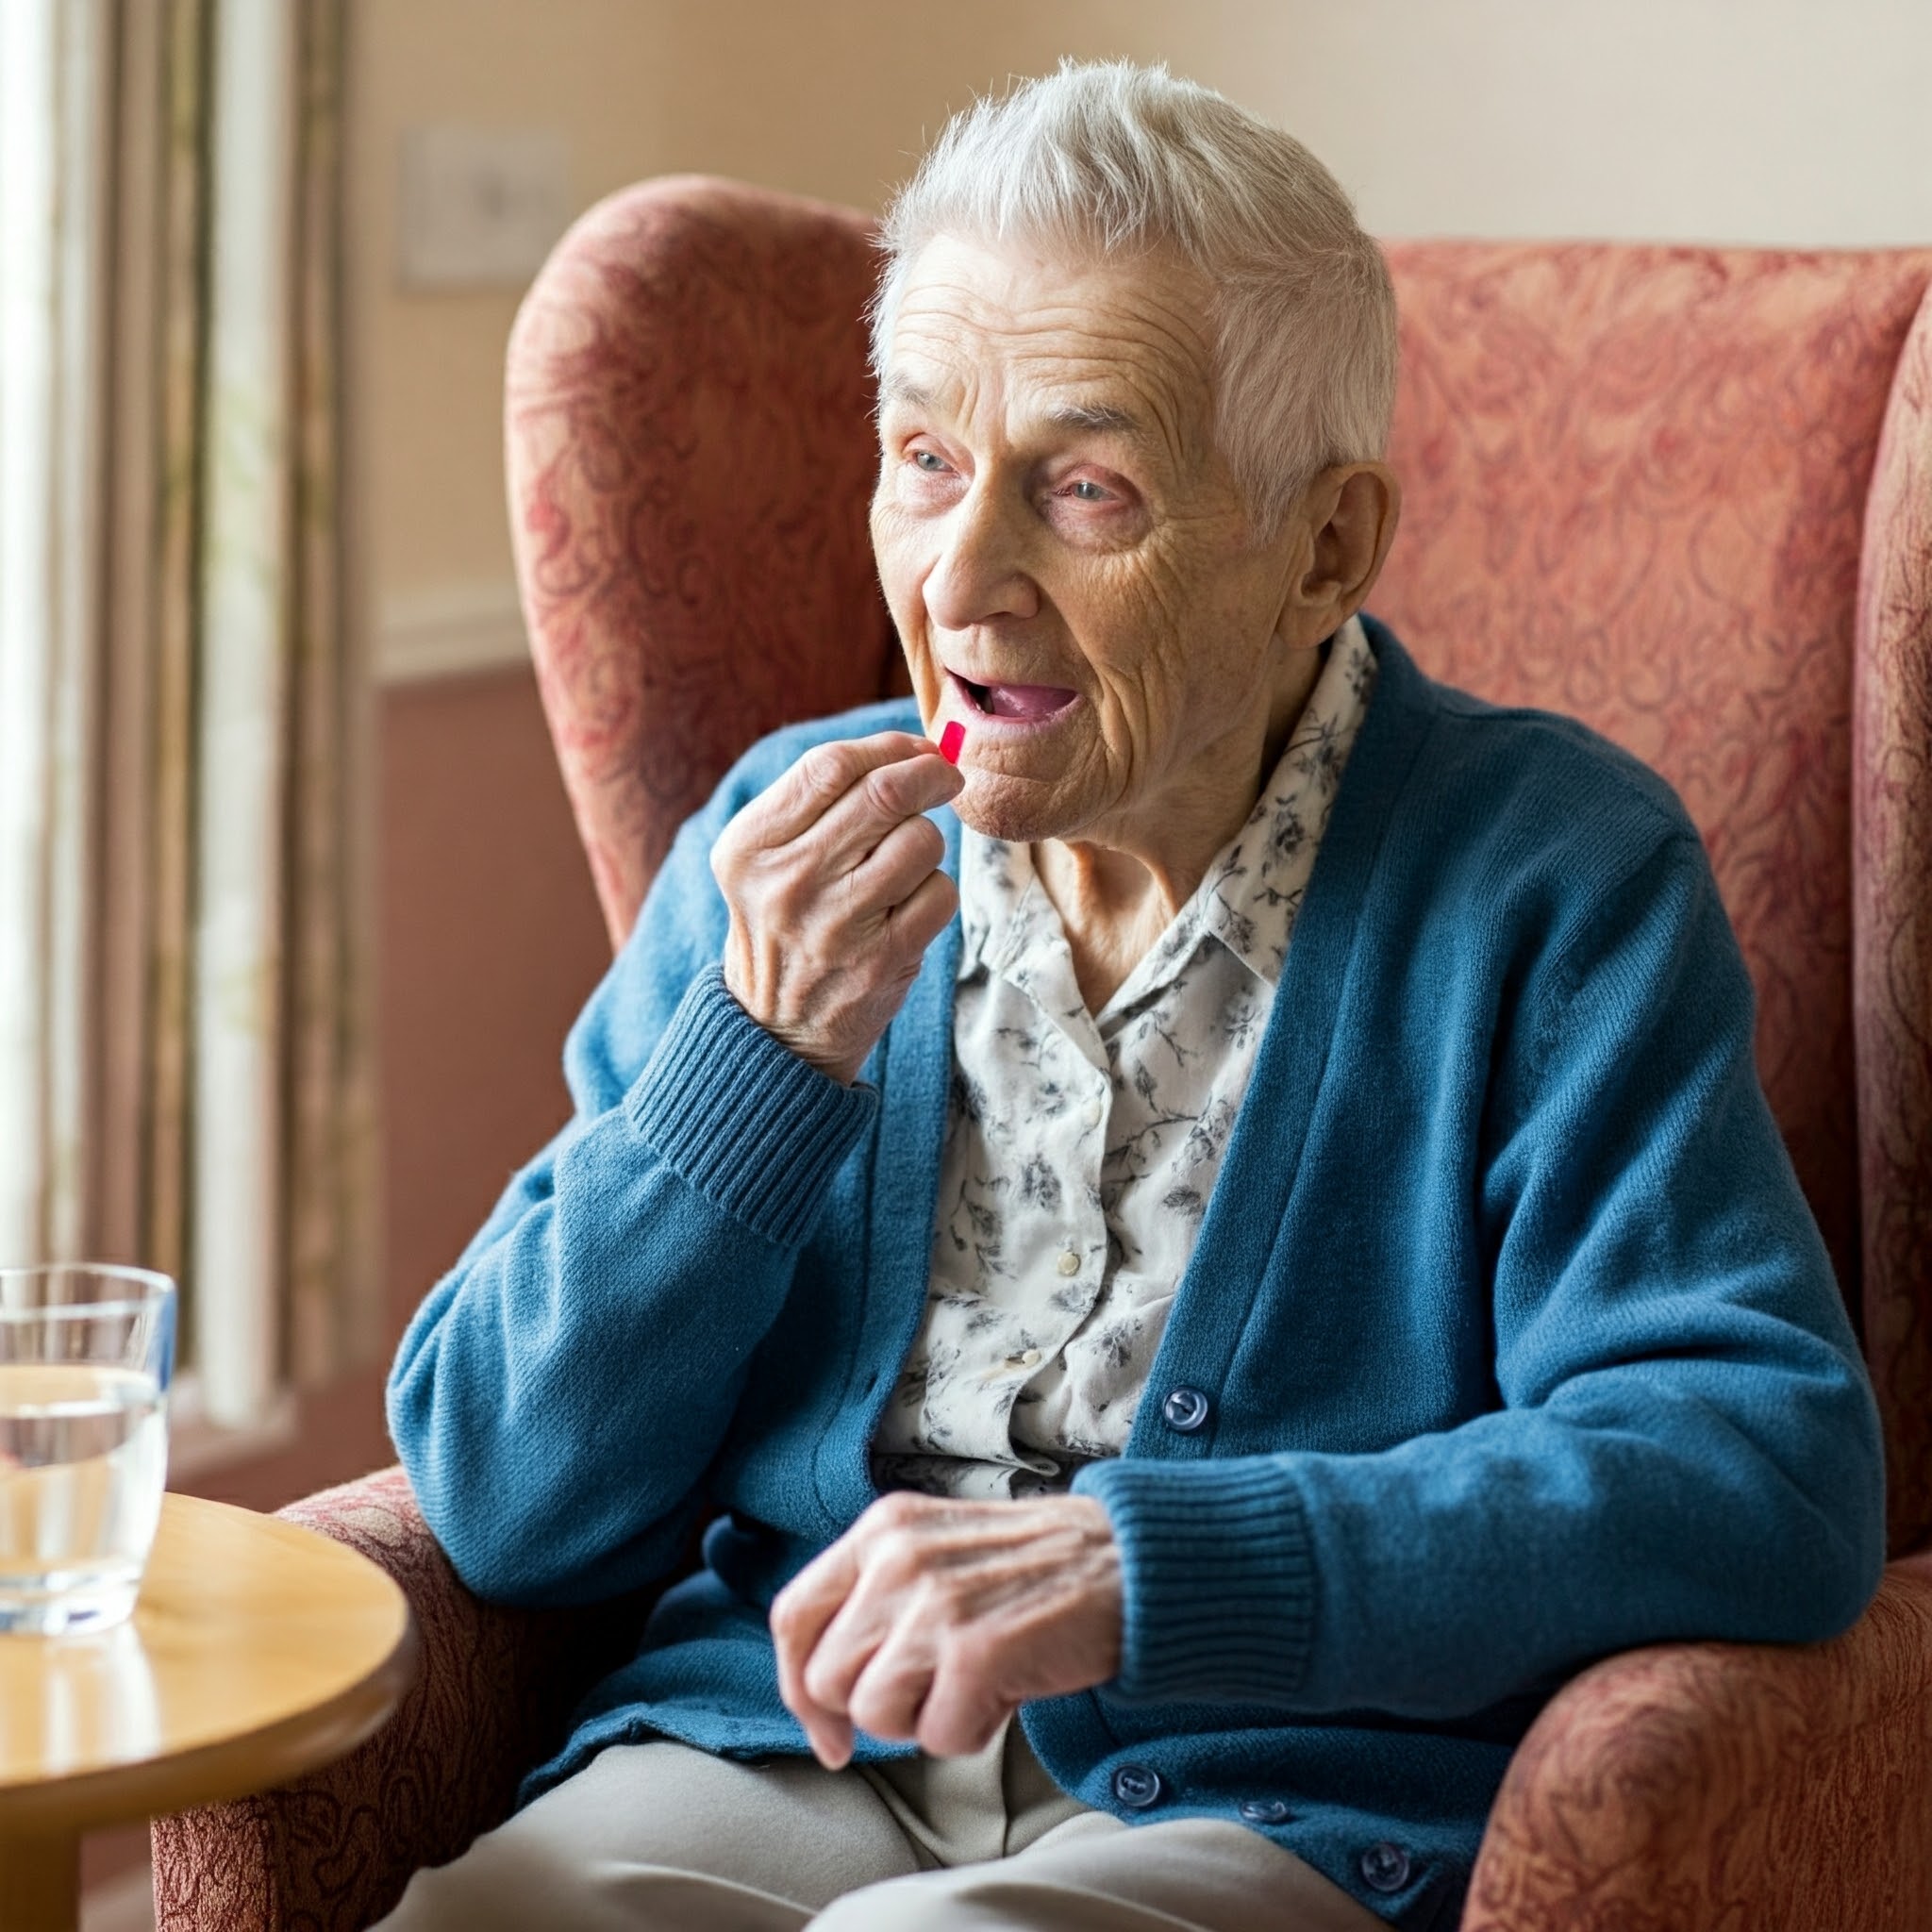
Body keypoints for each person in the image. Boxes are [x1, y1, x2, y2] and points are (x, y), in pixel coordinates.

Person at [375, 59, 1883, 1932]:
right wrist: (744, 1075)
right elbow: (505, 1495)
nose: (959, 573)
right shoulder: (783, 851)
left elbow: (1749, 1466)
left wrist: (1140, 1564)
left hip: (1271, 1798)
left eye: (1082, 487)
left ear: (1321, 547)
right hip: (767, 1747)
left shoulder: (1546, 878)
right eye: (923, 459)